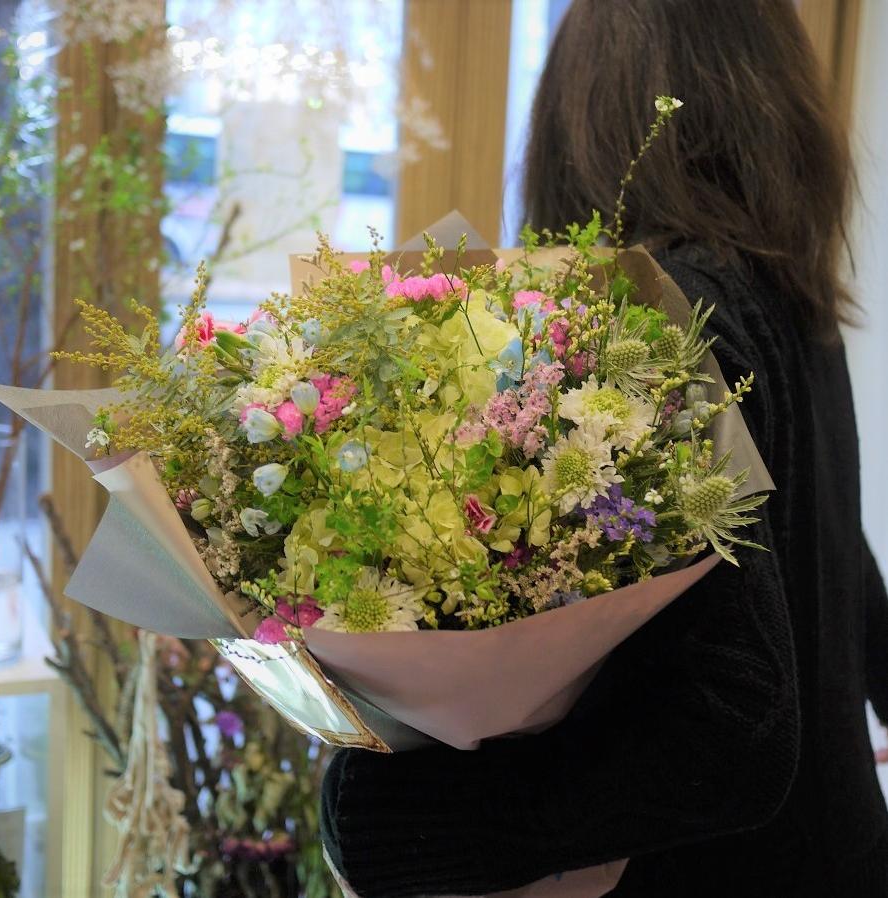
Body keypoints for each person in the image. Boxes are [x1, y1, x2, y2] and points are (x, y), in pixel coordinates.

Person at [320, 1, 888, 894]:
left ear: (581, 113)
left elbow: (733, 730)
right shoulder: (786, 304)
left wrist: (390, 821)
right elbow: (835, 557)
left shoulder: (668, 318)